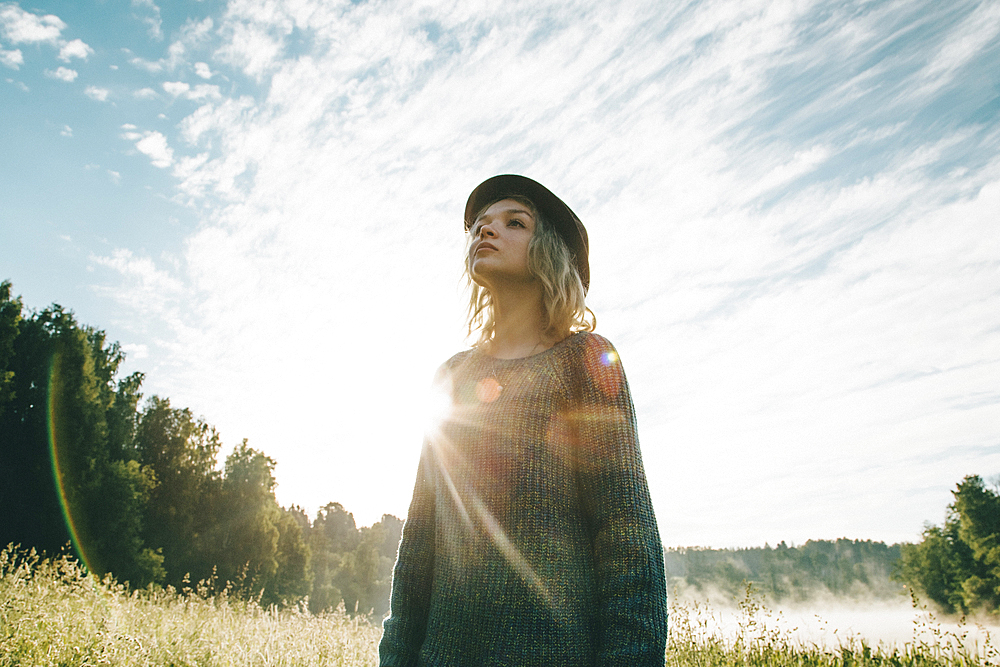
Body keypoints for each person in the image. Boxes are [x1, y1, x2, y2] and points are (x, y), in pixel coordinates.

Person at [378, 175, 667, 667]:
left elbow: (627, 539)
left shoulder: (585, 360)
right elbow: (420, 544)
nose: (486, 231)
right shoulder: (451, 376)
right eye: (480, 226)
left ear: (551, 253)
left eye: (514, 222)